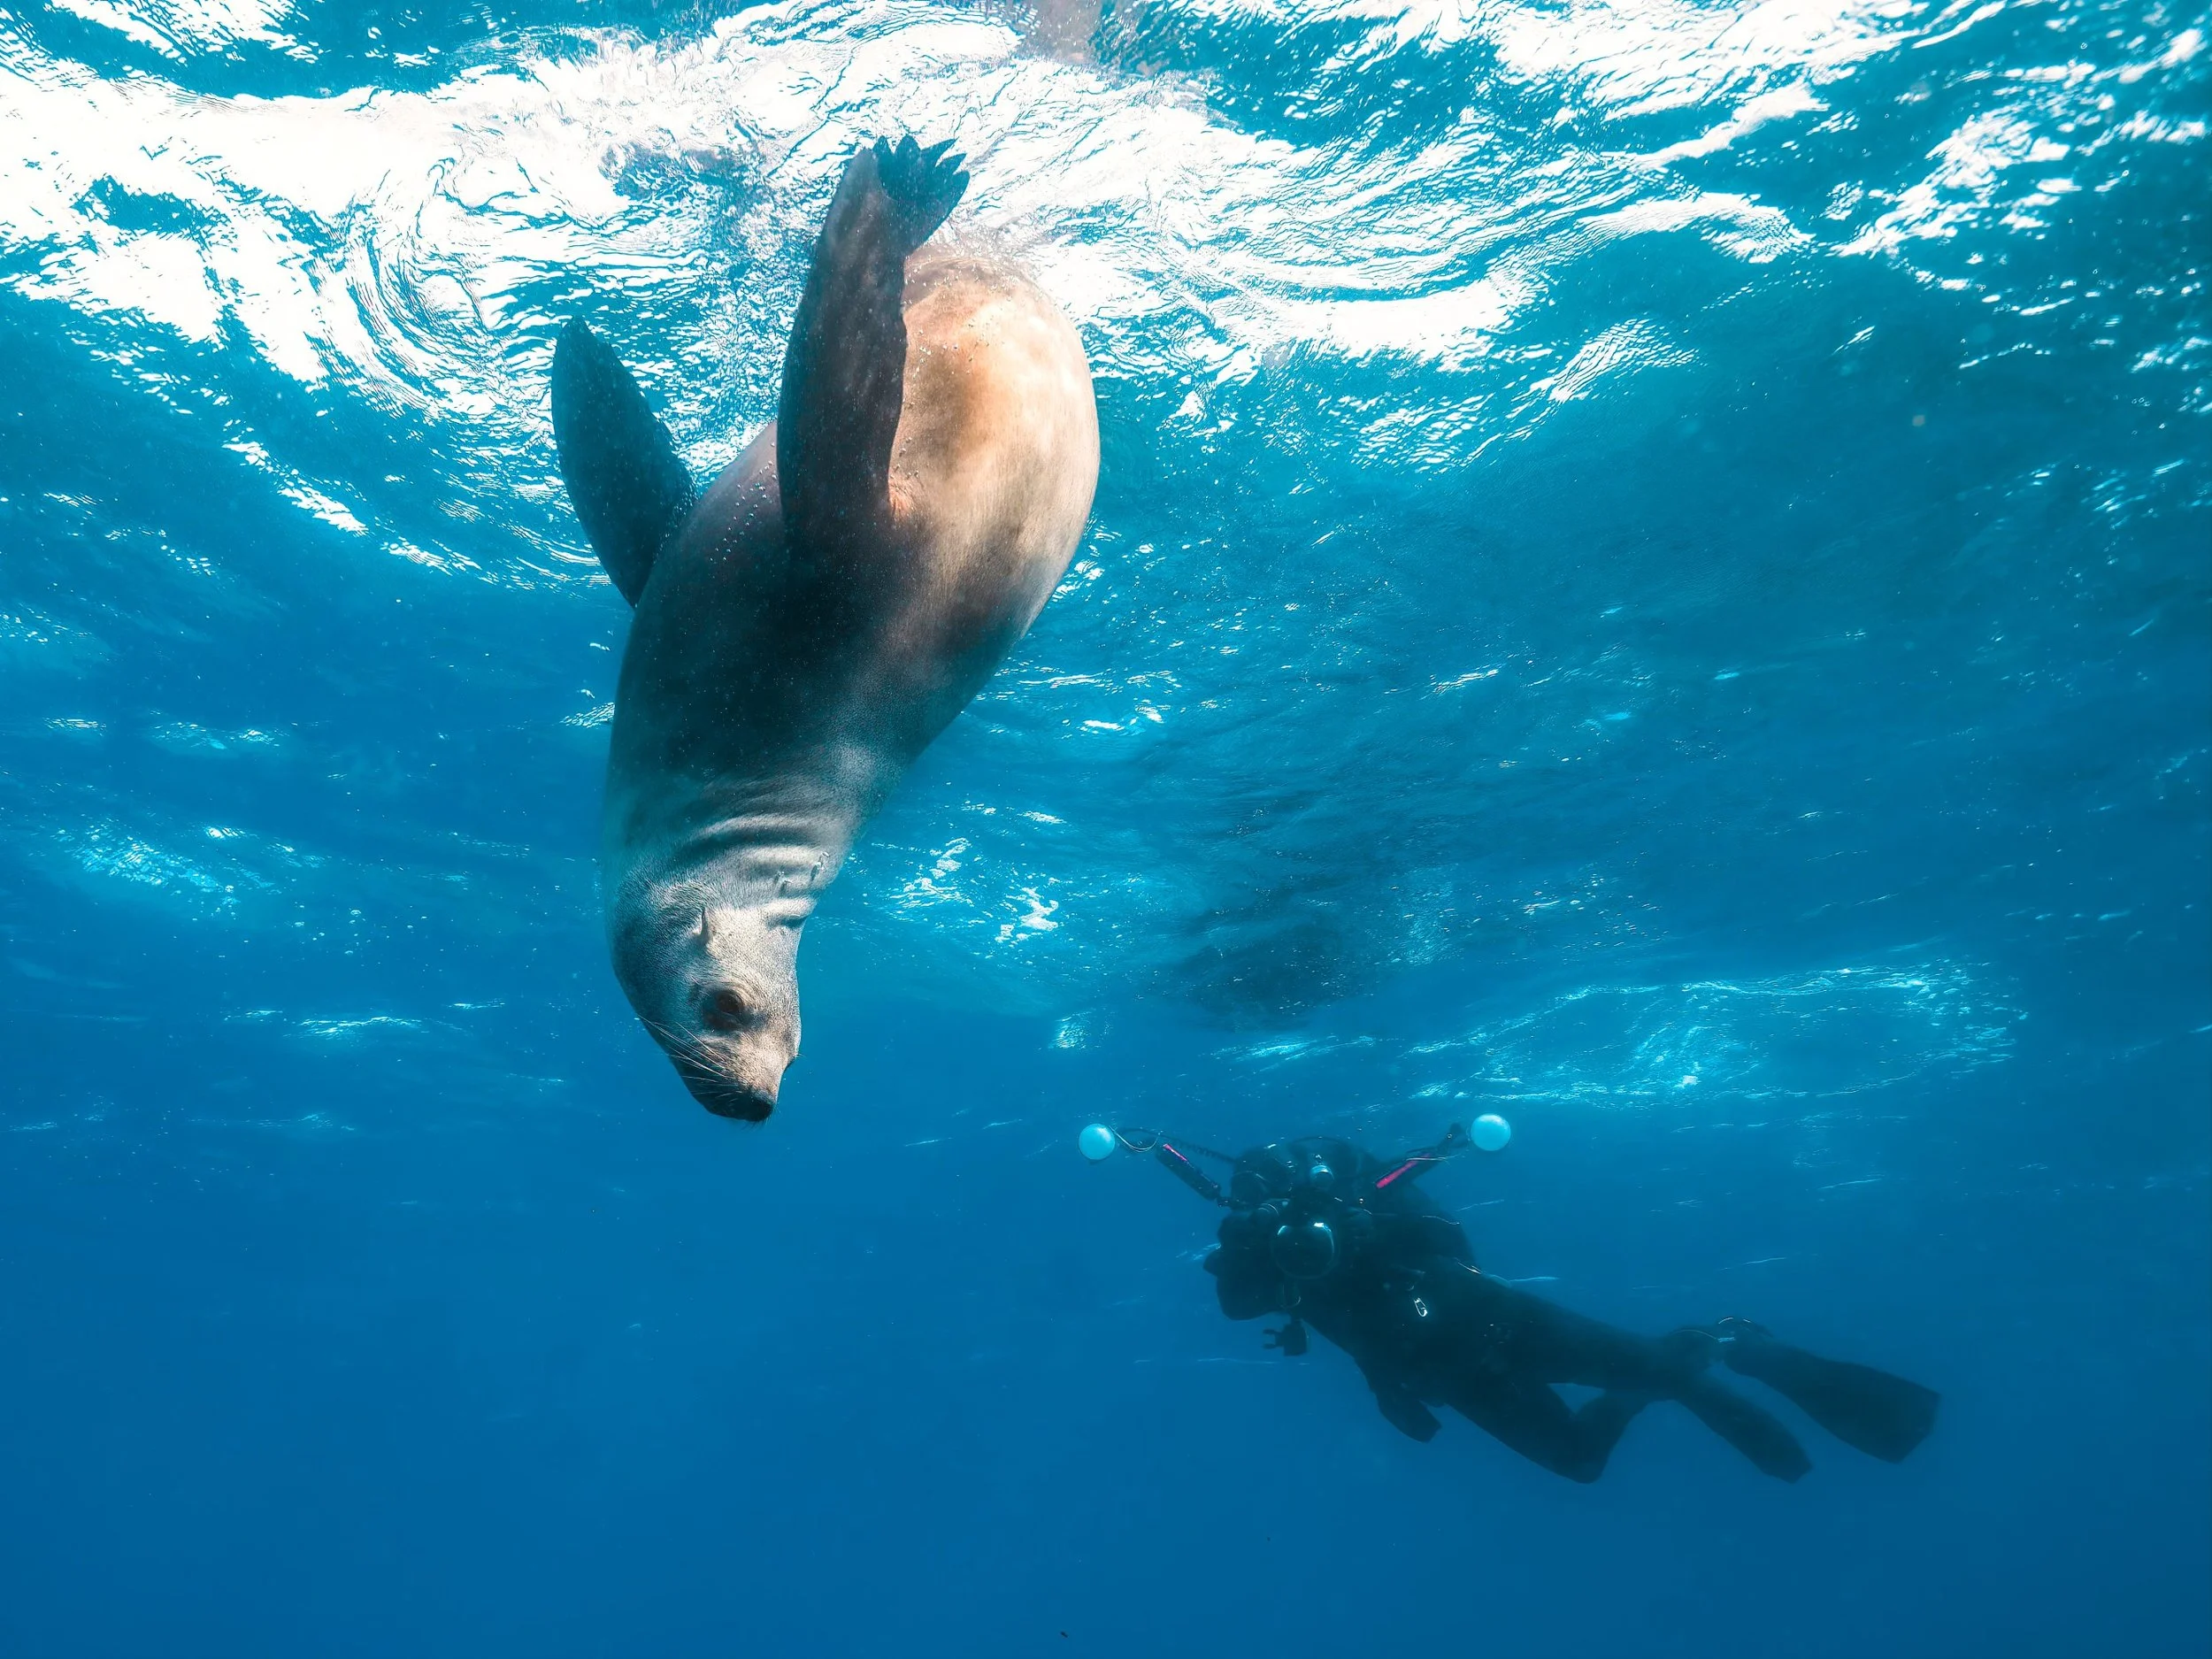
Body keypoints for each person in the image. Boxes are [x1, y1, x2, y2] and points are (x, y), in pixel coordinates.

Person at [1123, 1125, 1938, 1483]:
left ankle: (1726, 1343)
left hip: (1502, 1323)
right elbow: (1249, 1310)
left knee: (1673, 1374)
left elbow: (1449, 1248)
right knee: (1580, 1463)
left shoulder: (1373, 1211)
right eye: (1256, 1197)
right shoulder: (1267, 1253)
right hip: (1449, 1376)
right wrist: (1383, 1382)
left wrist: (1363, 1231)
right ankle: (1682, 1363)